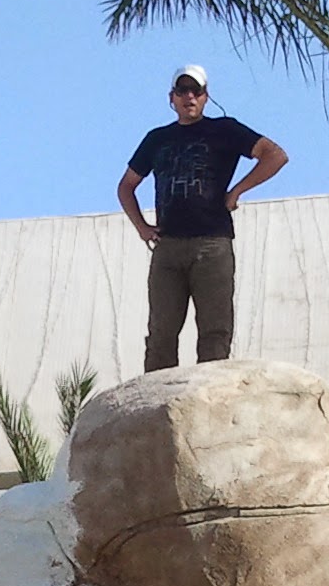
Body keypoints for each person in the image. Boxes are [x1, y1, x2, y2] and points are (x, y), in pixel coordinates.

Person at [117, 63, 288, 369]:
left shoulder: (224, 129)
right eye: (183, 91)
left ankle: (211, 394)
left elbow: (274, 155)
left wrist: (236, 191)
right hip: (168, 246)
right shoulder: (157, 138)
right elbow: (126, 186)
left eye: (196, 91)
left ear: (206, 96)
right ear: (172, 97)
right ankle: (158, 396)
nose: (190, 97)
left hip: (212, 244)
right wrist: (142, 227)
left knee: (214, 330)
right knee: (161, 333)